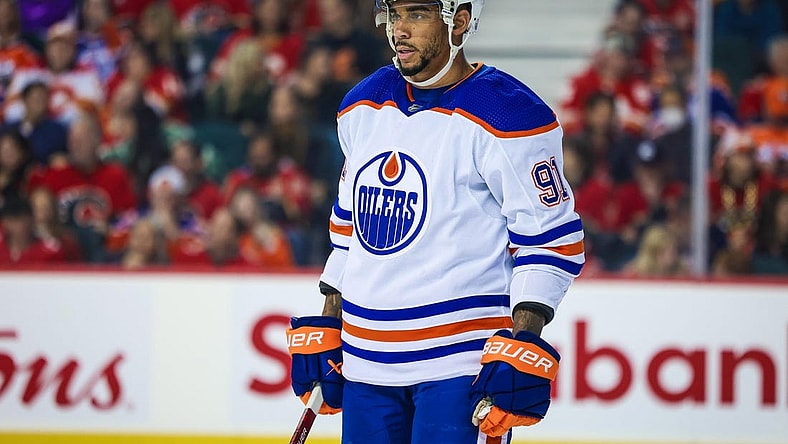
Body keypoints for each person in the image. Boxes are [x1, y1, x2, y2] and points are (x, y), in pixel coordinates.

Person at [285, 1, 585, 443]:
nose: (400, 30)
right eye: (395, 14)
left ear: (459, 21)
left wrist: (523, 341)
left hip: (459, 366)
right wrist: (331, 318)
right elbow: (348, 232)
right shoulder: (361, 106)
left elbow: (548, 240)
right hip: (366, 361)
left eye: (418, 14)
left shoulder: (509, 114)